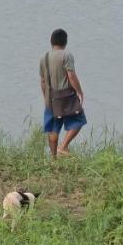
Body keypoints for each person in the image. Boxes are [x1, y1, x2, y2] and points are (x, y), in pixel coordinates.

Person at [39, 29, 87, 158]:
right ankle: (64, 146)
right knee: (79, 120)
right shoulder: (66, 55)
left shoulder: (44, 58)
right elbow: (71, 76)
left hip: (51, 98)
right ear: (65, 42)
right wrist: (80, 92)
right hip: (66, 97)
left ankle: (54, 158)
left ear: (51, 42)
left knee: (53, 129)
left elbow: (43, 81)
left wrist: (46, 98)